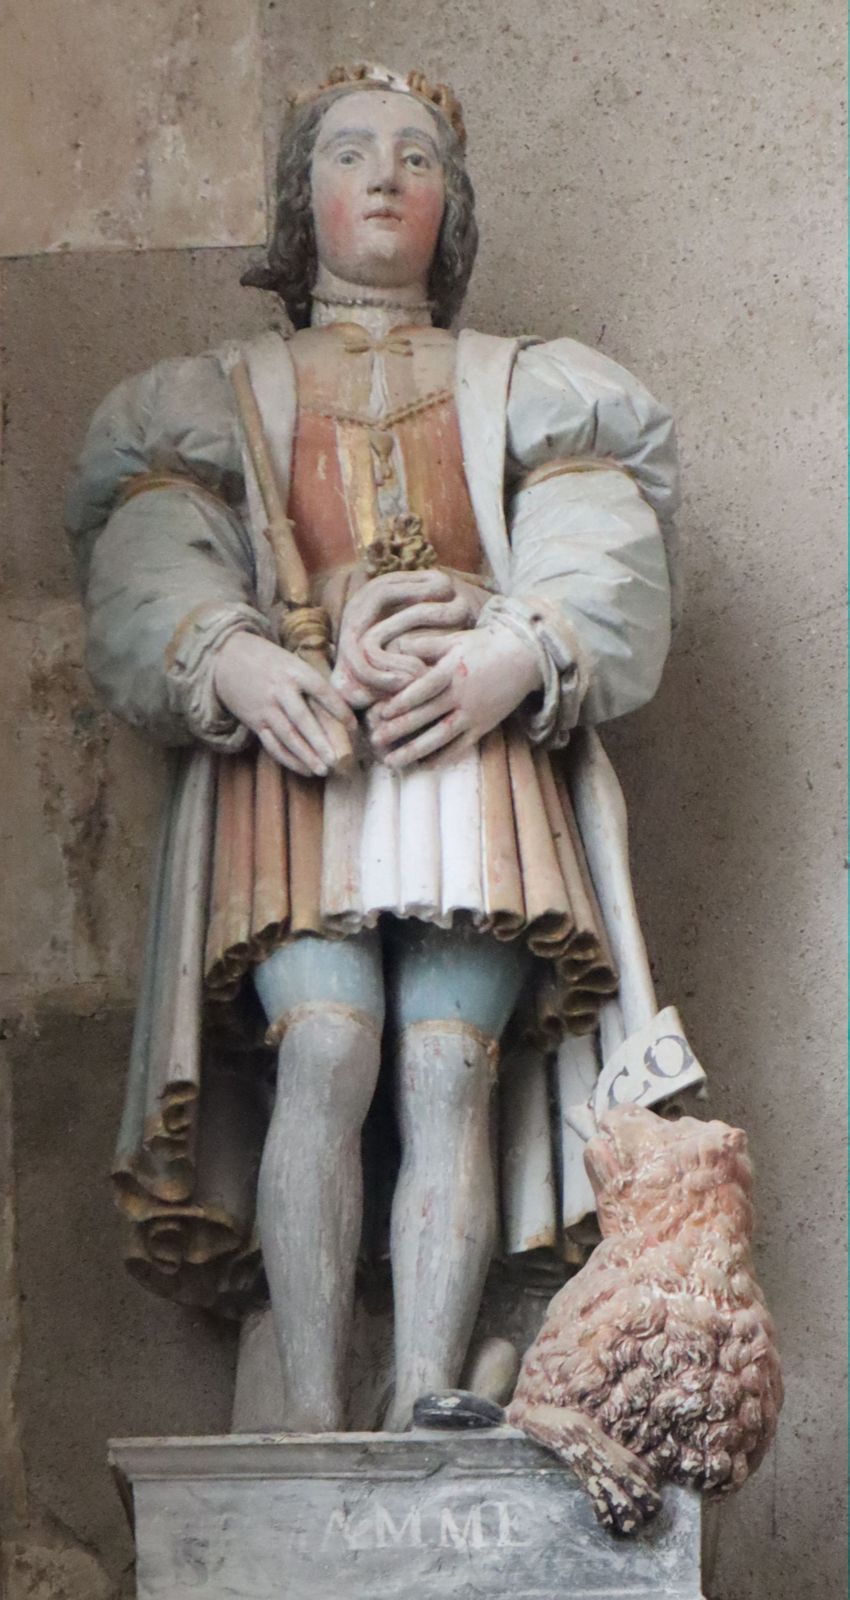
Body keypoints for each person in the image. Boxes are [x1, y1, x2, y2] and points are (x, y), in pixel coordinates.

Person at [65, 64, 679, 1432]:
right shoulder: (214, 393)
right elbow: (149, 547)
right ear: (303, 205)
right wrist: (226, 656)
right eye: (350, 152)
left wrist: (515, 648)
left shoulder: (526, 386)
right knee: (328, 1049)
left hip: (467, 743)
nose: (386, 174)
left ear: (451, 211)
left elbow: (603, 545)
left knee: (449, 1061)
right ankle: (303, 1402)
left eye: (416, 156)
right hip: (301, 754)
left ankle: (420, 1387)